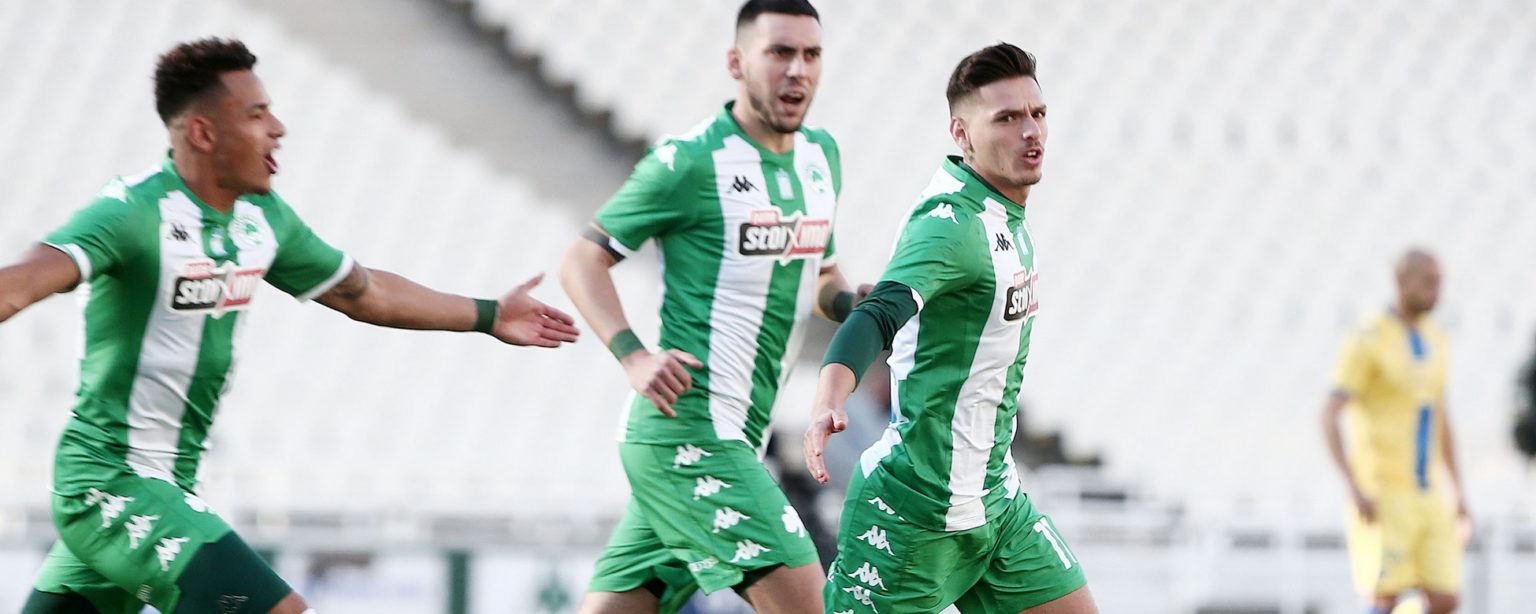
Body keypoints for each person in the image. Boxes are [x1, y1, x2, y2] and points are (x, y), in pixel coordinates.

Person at [1, 37, 579, 614]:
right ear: (202, 133)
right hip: (109, 483)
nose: (278, 129)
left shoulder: (263, 219)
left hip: (167, 486)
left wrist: (488, 314)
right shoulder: (133, 213)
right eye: (256, 115)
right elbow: (22, 282)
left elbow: (362, 292)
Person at [559, 1, 866, 612]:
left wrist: (861, 304)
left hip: (736, 436)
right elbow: (581, 260)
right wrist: (633, 356)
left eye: (811, 54)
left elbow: (822, 275)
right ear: (736, 62)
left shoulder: (821, 156)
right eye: (779, 53)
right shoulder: (691, 160)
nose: (797, 70)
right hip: (689, 431)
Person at [803, 42, 1097, 613]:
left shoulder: (1003, 212)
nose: (1030, 131)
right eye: (1006, 118)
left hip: (996, 505)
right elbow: (878, 312)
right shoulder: (951, 225)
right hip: (913, 514)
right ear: (962, 134)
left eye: (1037, 113)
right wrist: (828, 398)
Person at [1322, 249, 1469, 614]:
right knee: (1385, 597)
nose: (1435, 291)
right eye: (1427, 281)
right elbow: (1329, 414)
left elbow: (1440, 418)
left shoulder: (1437, 339)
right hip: (1383, 490)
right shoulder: (1369, 338)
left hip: (1428, 490)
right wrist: (1353, 485)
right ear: (1402, 280)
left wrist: (1458, 490)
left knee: (1445, 598)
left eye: (1439, 283)